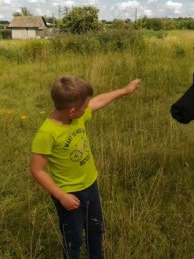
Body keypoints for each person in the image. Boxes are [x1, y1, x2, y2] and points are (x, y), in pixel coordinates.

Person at [30, 75, 141, 259]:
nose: (88, 107)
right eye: (85, 105)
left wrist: (124, 91)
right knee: (73, 241)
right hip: (69, 195)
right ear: (73, 110)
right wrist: (61, 196)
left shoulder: (75, 118)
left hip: (91, 186)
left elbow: (98, 101)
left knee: (96, 231)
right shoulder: (47, 133)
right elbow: (37, 170)